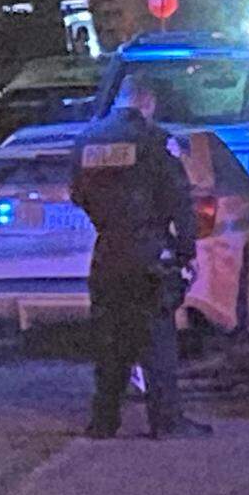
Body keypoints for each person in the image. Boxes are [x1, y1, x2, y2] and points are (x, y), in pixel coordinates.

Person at [70, 75, 213, 439]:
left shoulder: (87, 140)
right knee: (156, 339)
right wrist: (186, 251)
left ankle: (103, 422)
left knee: (109, 339)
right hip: (148, 251)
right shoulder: (155, 140)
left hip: (107, 251)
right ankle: (167, 422)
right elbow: (179, 201)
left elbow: (77, 194)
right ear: (147, 101)